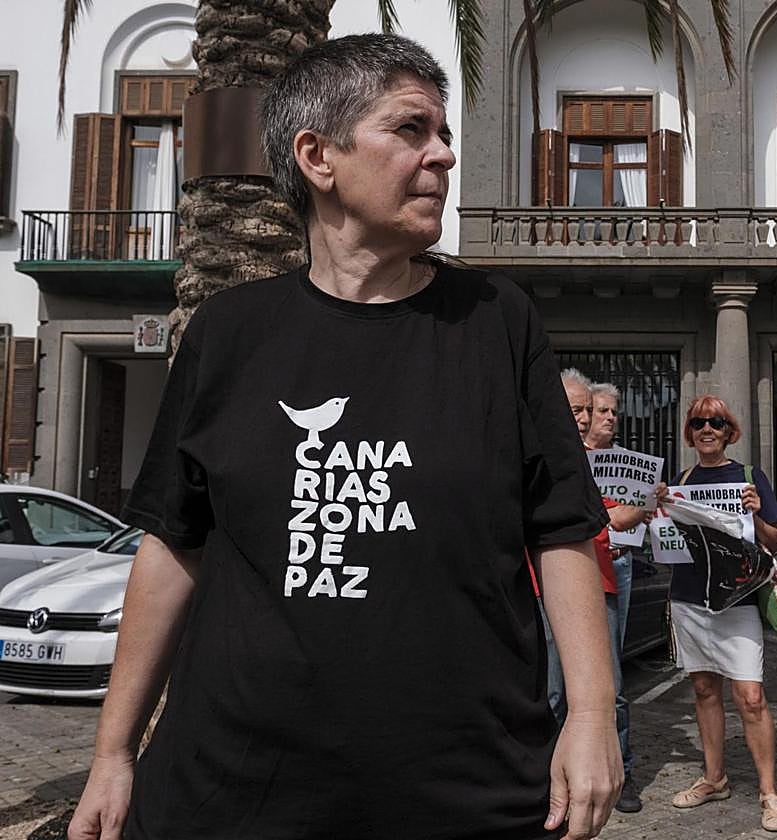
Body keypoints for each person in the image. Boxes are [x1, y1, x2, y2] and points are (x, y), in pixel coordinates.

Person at [68, 34, 620, 840]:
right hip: (233, 792)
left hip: (466, 787)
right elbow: (174, 545)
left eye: (444, 134)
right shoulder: (229, 333)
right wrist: (113, 754)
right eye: (411, 130)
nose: (444, 156)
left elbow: (562, 528)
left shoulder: (496, 321)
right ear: (318, 157)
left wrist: (593, 716)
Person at [653, 394, 777, 833]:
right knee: (704, 689)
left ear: (729, 430)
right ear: (690, 433)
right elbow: (666, 537)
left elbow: (773, 541)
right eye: (698, 423)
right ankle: (715, 778)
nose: (706, 429)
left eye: (715, 422)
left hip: (739, 599)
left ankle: (770, 792)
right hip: (690, 599)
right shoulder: (681, 479)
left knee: (750, 697)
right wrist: (659, 507)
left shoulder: (750, 477)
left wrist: (756, 513)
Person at [546, 370, 645, 814]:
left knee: (610, 687)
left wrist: (639, 506)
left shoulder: (596, 462)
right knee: (549, 690)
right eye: (578, 410)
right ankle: (548, 777)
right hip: (540, 586)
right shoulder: (543, 459)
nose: (587, 419)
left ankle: (616, 771)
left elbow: (621, 517)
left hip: (602, 578)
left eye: (592, 409)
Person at [583, 381, 644, 813]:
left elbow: (628, 516)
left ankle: (622, 768)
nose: (608, 418)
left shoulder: (627, 465)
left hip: (616, 563)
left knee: (613, 676)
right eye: (601, 410)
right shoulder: (566, 457)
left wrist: (648, 501)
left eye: (612, 412)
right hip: (573, 565)